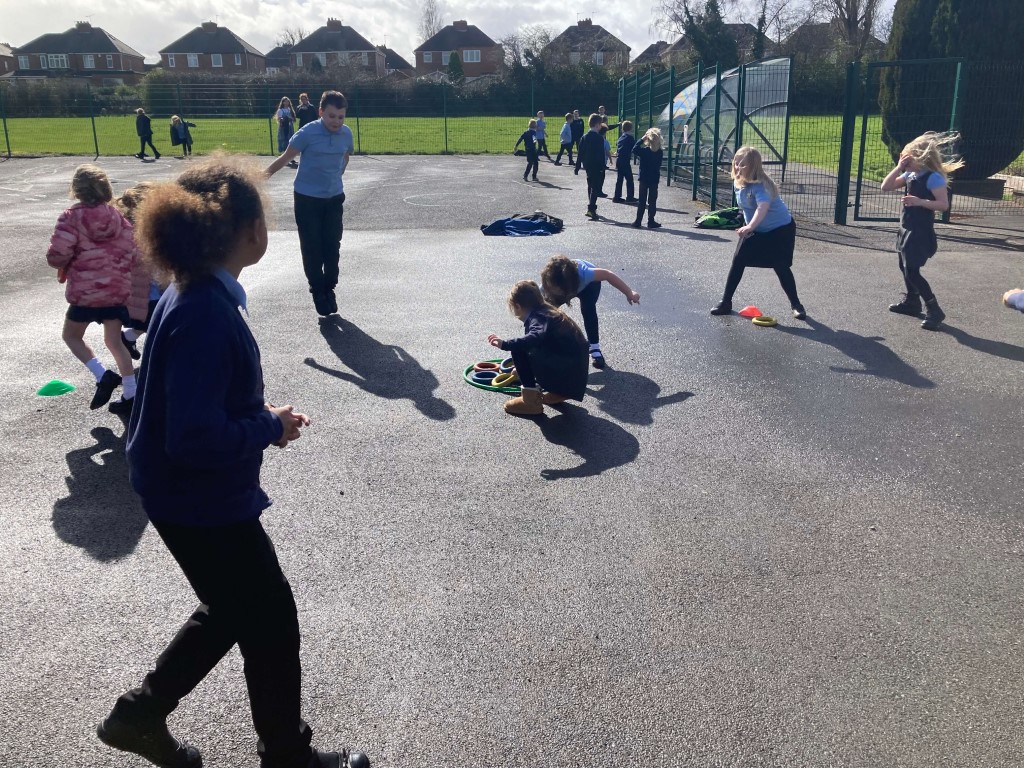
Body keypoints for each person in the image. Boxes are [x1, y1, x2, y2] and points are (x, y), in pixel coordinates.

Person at [96, 158, 369, 768]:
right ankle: (286, 755)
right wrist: (267, 427)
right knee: (269, 617)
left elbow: (191, 402)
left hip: (180, 492)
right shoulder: (205, 312)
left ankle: (138, 717)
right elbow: (194, 438)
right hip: (199, 500)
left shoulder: (192, 291)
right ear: (248, 231)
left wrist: (256, 414)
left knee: (233, 609)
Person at [46, 164, 138, 413]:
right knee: (114, 341)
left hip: (86, 291)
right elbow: (132, 251)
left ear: (76, 189)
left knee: (72, 336)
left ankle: (102, 374)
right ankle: (131, 392)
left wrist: (63, 261)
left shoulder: (70, 217)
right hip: (115, 289)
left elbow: (57, 255)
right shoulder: (117, 217)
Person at [265, 91, 354, 317]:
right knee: (312, 246)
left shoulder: (346, 134)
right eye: (331, 116)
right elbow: (286, 157)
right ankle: (317, 291)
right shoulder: (308, 133)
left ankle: (329, 287)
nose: (336, 121)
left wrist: (338, 174)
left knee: (332, 245)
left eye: (341, 117)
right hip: (307, 199)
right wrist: (264, 175)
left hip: (334, 198)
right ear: (321, 112)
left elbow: (345, 156)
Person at [879, 131, 963, 331]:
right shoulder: (910, 174)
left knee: (912, 271)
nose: (905, 162)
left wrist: (919, 202)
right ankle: (912, 301)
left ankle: (934, 310)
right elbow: (885, 187)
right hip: (906, 227)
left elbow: (943, 205)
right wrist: (899, 168)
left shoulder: (933, 178)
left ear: (921, 158)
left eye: (908, 159)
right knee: (903, 266)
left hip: (920, 230)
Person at [709, 146, 805, 319]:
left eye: (743, 164)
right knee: (738, 261)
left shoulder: (761, 186)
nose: (738, 167)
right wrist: (744, 222)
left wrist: (750, 226)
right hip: (754, 228)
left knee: (780, 266)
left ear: (753, 167)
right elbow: (746, 206)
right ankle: (725, 302)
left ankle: (796, 305)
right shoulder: (738, 182)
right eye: (736, 163)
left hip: (780, 229)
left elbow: (762, 207)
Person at [486, 280, 589, 416]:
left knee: (518, 348)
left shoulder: (538, 318)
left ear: (517, 306)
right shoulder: (546, 311)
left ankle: (530, 402)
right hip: (574, 374)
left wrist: (504, 344)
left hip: (567, 374)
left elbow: (533, 338)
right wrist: (522, 369)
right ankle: (559, 391)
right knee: (526, 347)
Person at [541, 255, 640, 370]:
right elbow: (534, 304)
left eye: (555, 289)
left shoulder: (586, 274)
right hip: (566, 286)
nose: (551, 290)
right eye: (550, 287)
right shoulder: (547, 283)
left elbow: (607, 274)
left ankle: (594, 348)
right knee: (548, 312)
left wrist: (629, 292)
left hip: (589, 286)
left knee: (588, 308)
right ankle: (548, 345)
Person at [115, 182, 165, 377]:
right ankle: (155, 367)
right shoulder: (142, 231)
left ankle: (128, 338)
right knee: (157, 326)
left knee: (149, 325)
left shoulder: (129, 228)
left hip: (143, 292)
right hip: (147, 293)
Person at [575, 114, 607, 220]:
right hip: (596, 165)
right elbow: (600, 154)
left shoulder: (584, 137)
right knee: (595, 187)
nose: (601, 126)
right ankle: (591, 209)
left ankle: (591, 206)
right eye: (600, 124)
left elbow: (580, 152)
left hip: (587, 165)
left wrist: (577, 166)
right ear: (597, 125)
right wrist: (603, 166)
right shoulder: (599, 138)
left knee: (590, 185)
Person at [631, 127, 664, 228]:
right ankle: (651, 221)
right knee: (652, 201)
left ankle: (638, 221)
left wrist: (641, 139)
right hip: (654, 178)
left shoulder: (645, 151)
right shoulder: (659, 152)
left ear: (648, 139)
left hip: (644, 178)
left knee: (642, 200)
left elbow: (634, 149)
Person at [612, 120, 637, 203]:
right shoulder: (630, 138)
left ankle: (616, 196)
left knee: (620, 179)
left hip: (619, 160)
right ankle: (630, 197)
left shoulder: (621, 138)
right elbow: (635, 148)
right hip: (625, 160)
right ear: (631, 129)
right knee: (629, 179)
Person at [292, 93, 319, 168]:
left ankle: (313, 157)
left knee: (311, 142)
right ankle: (304, 157)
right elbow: (297, 116)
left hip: (311, 126)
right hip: (302, 127)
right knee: (303, 142)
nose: (303, 101)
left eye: (304, 99)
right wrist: (301, 109)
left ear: (307, 99)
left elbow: (315, 116)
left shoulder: (311, 107)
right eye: (302, 99)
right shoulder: (299, 107)